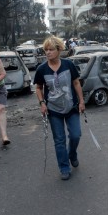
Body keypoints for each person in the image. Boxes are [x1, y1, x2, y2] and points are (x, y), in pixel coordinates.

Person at [34, 36, 86, 180]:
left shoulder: (68, 64)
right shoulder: (41, 69)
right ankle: (64, 167)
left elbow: (76, 83)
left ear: (59, 50)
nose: (48, 52)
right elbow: (38, 88)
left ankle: (72, 154)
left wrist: (81, 101)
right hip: (53, 110)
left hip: (72, 107)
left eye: (51, 49)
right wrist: (42, 103)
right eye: (46, 50)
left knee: (76, 134)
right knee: (59, 140)